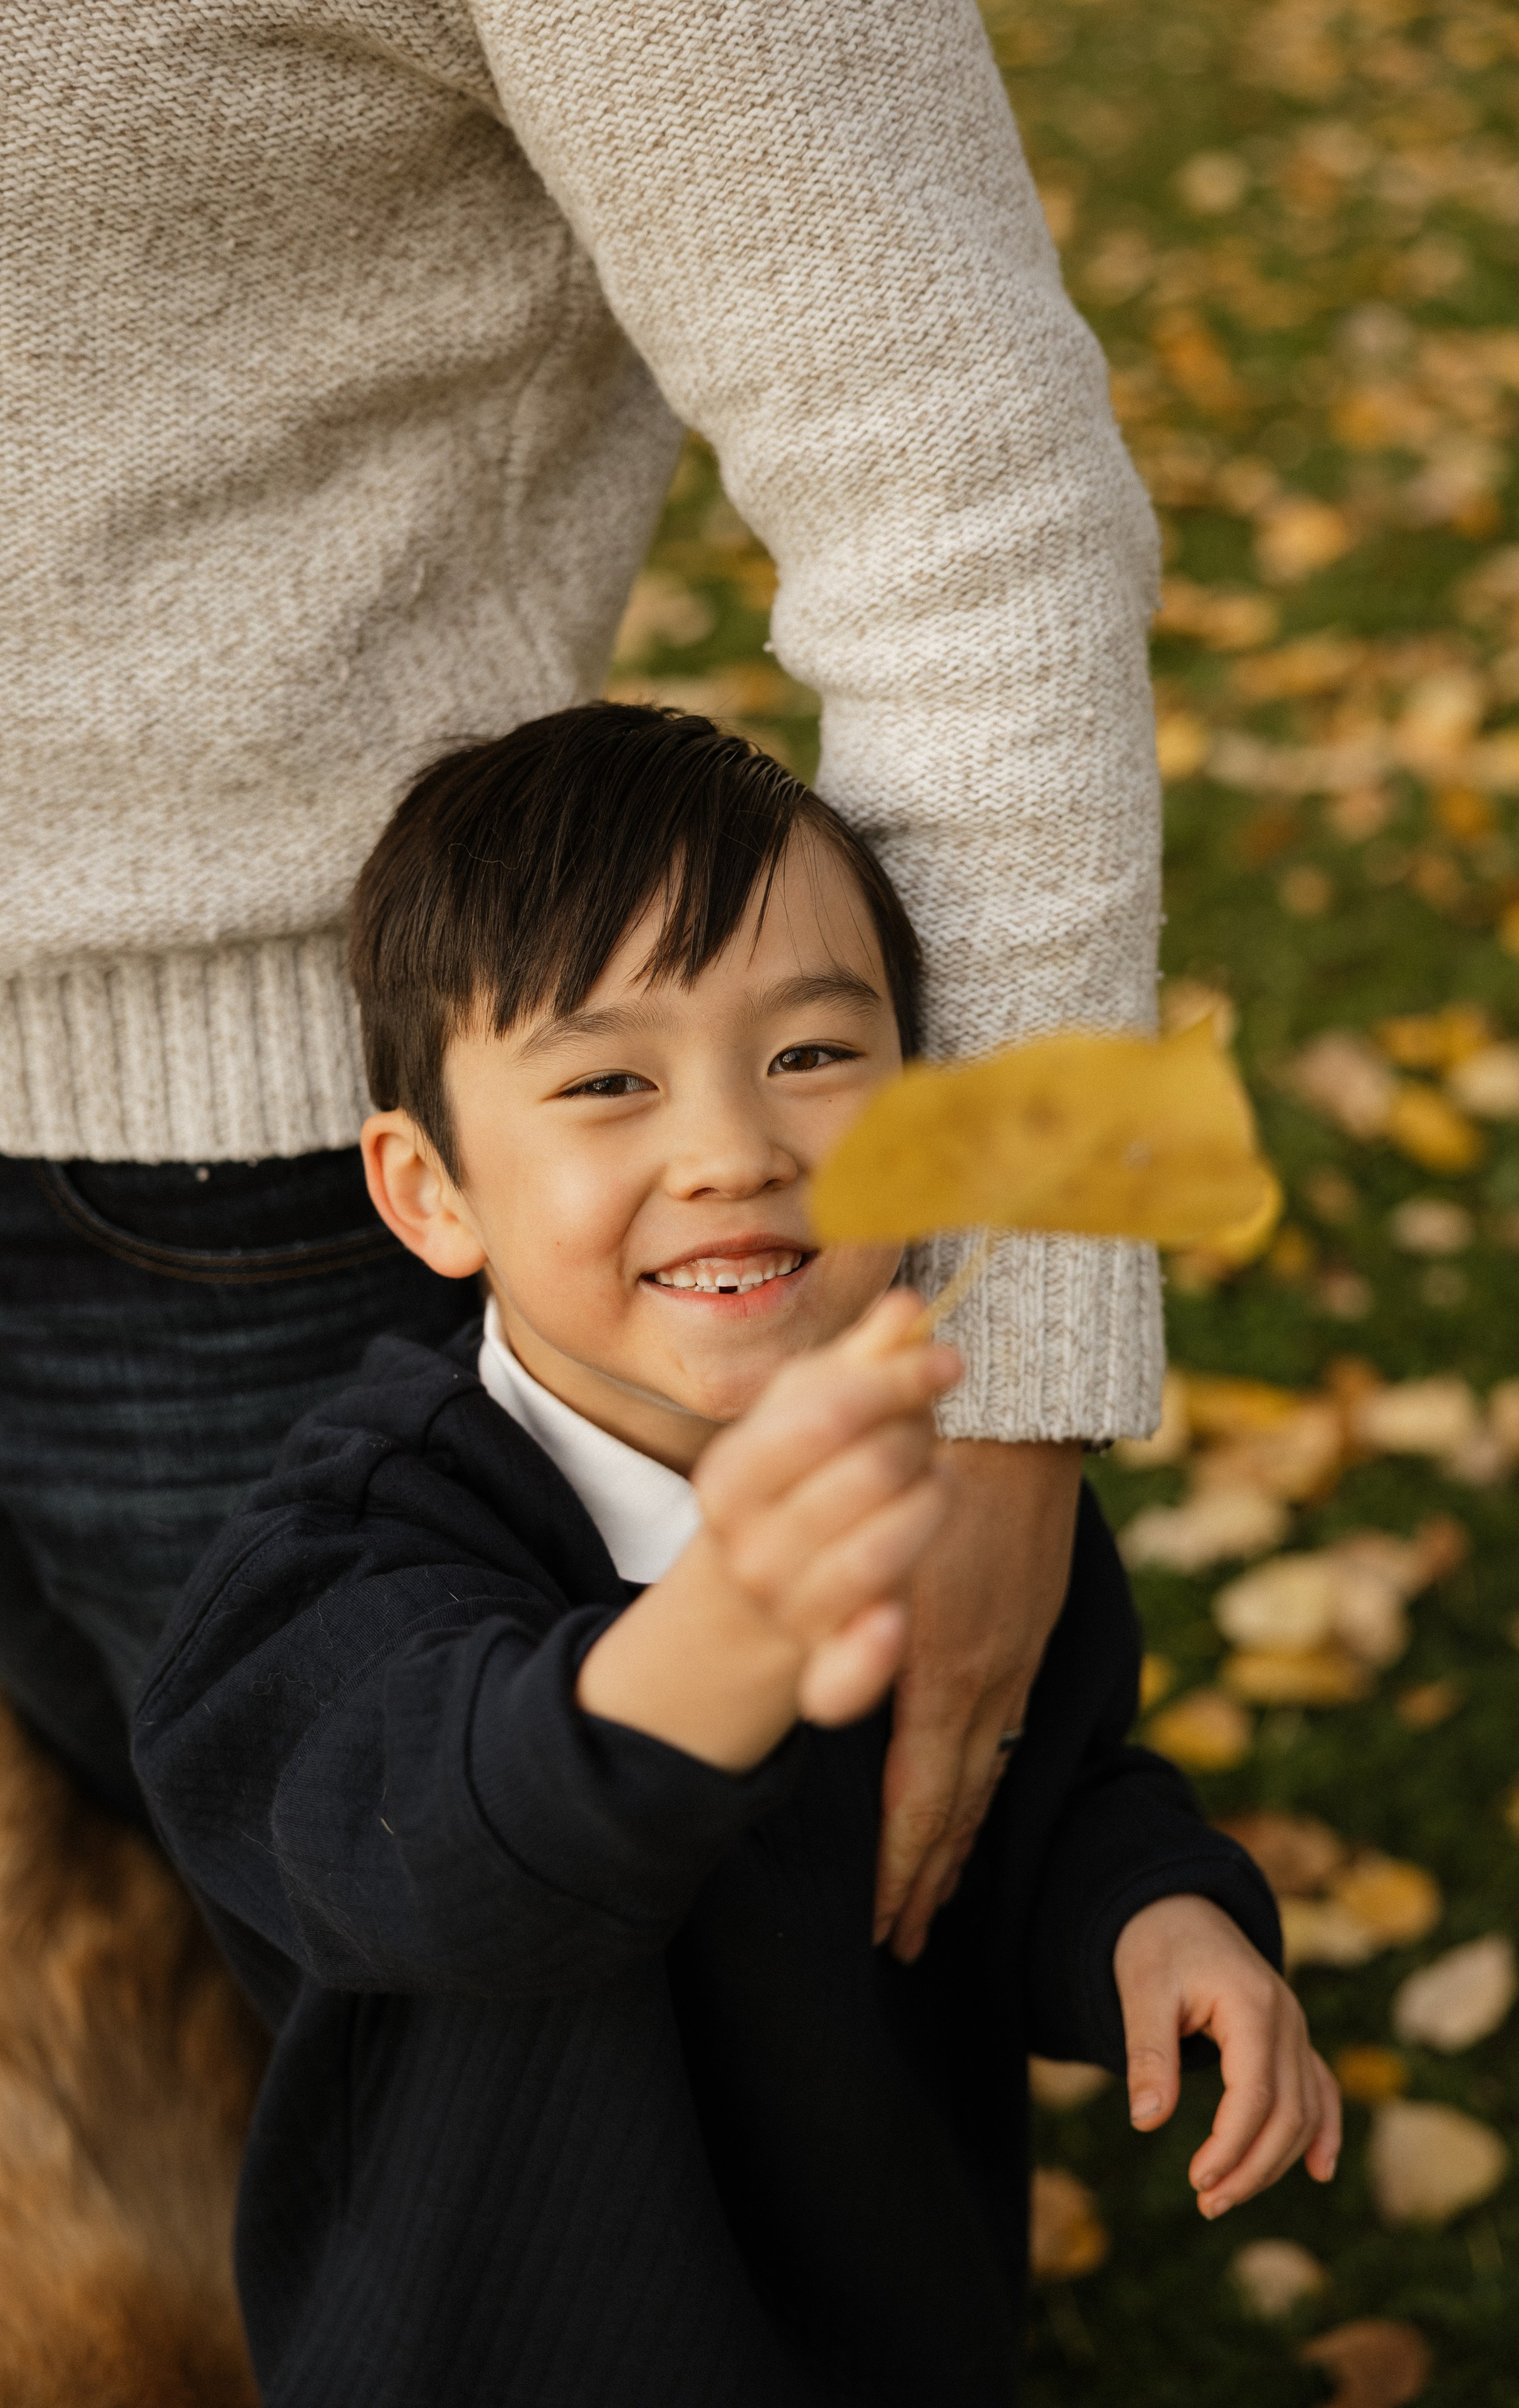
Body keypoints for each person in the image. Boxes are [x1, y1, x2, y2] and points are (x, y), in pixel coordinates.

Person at [3, 0, 1165, 1946]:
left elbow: (967, 498)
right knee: (112, 2062)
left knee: (499, 1981)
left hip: (236, 1203)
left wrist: (1005, 1340)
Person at [133, 706, 1340, 2408]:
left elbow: (1040, 1797)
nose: (733, 1152)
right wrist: (728, 1625)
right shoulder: (345, 1553)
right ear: (431, 1193)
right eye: (609, 1080)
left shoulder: (951, 1507)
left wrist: (1154, 1921)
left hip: (881, 2324)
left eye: (814, 1058)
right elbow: (423, 1837)